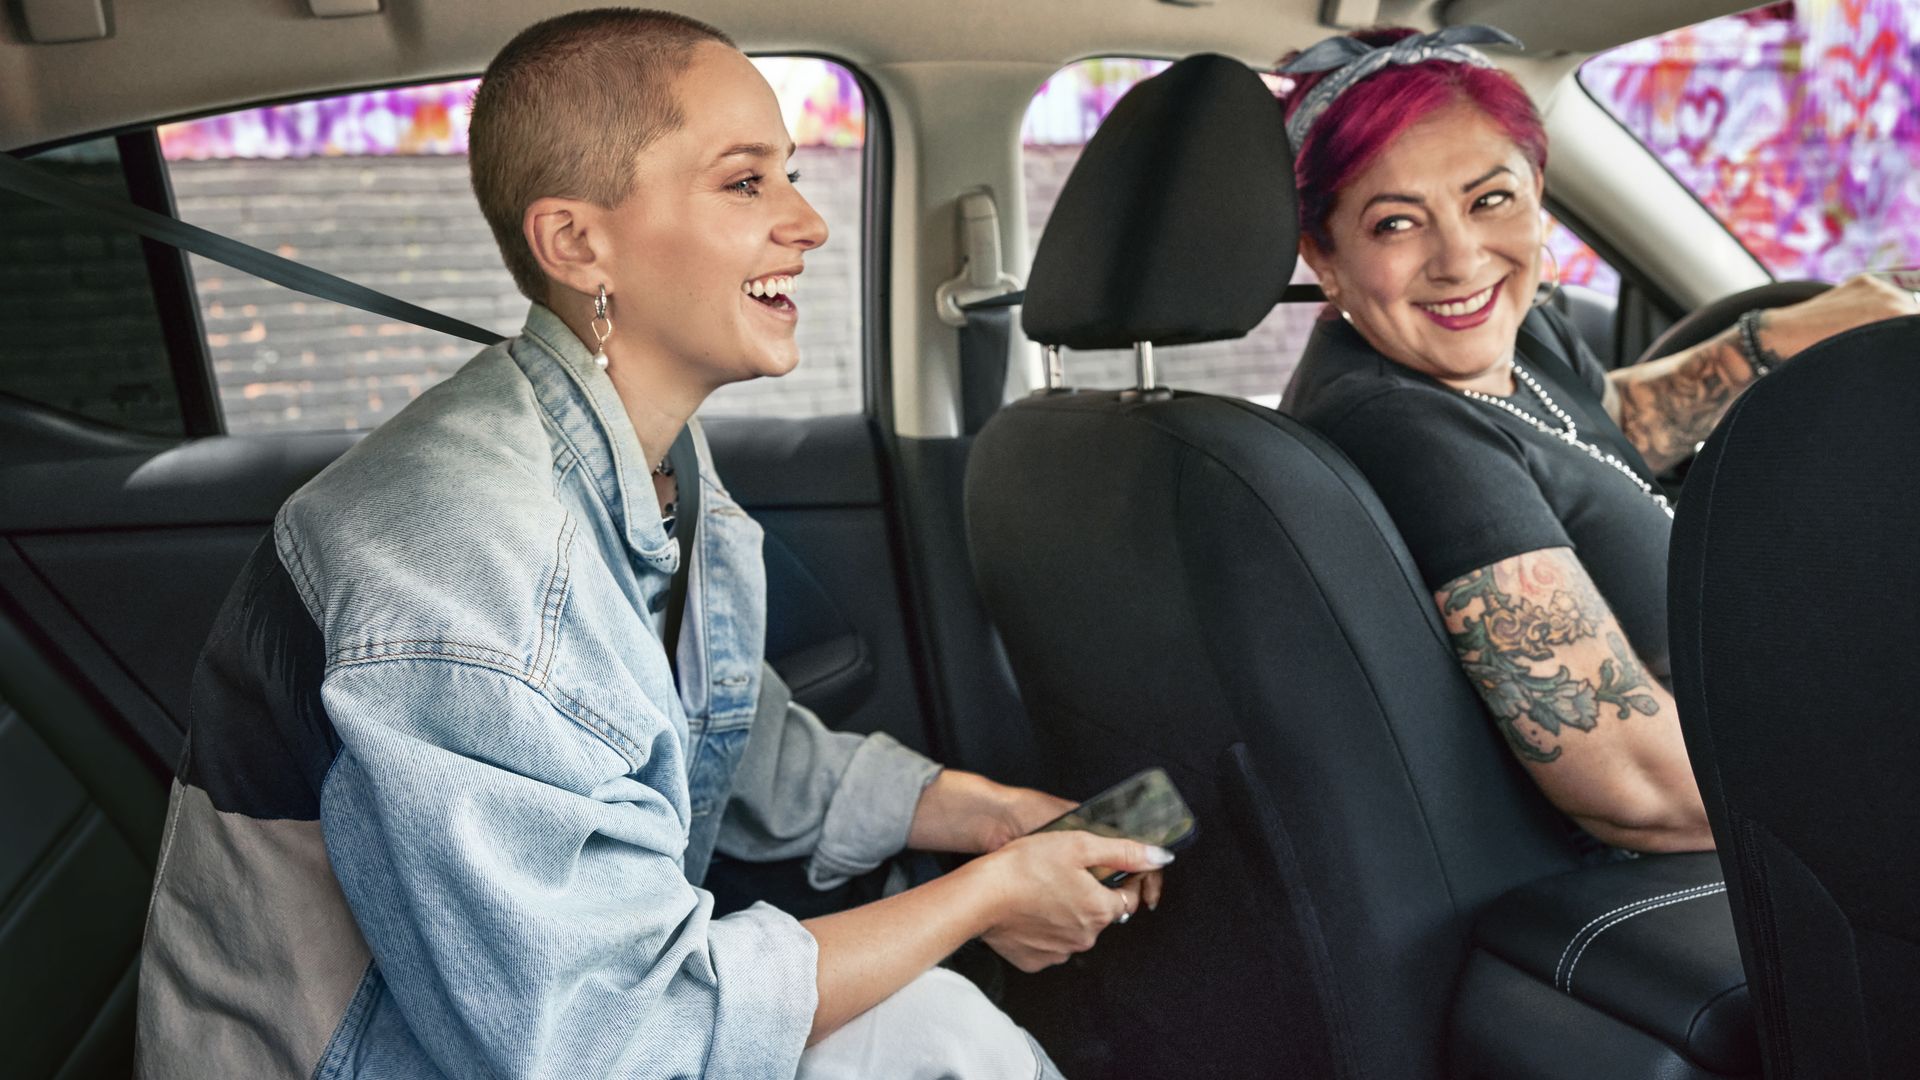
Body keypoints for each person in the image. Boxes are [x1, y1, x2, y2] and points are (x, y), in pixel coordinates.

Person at [133, 9, 1169, 1078]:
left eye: (792, 174)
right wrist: (985, 899)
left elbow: (727, 739)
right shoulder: (476, 565)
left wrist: (991, 819)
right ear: (578, 243)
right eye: (745, 182)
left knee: (939, 1034)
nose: (809, 223)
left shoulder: (643, 457)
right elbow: (617, 1038)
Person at [1276, 26, 1919, 855]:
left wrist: (1771, 341)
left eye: (1490, 199)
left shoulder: (1515, 343)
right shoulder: (1403, 431)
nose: (1461, 258)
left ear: (1537, 189)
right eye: (1397, 223)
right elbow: (1636, 788)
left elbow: (1588, 440)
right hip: (1732, 865)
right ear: (1323, 257)